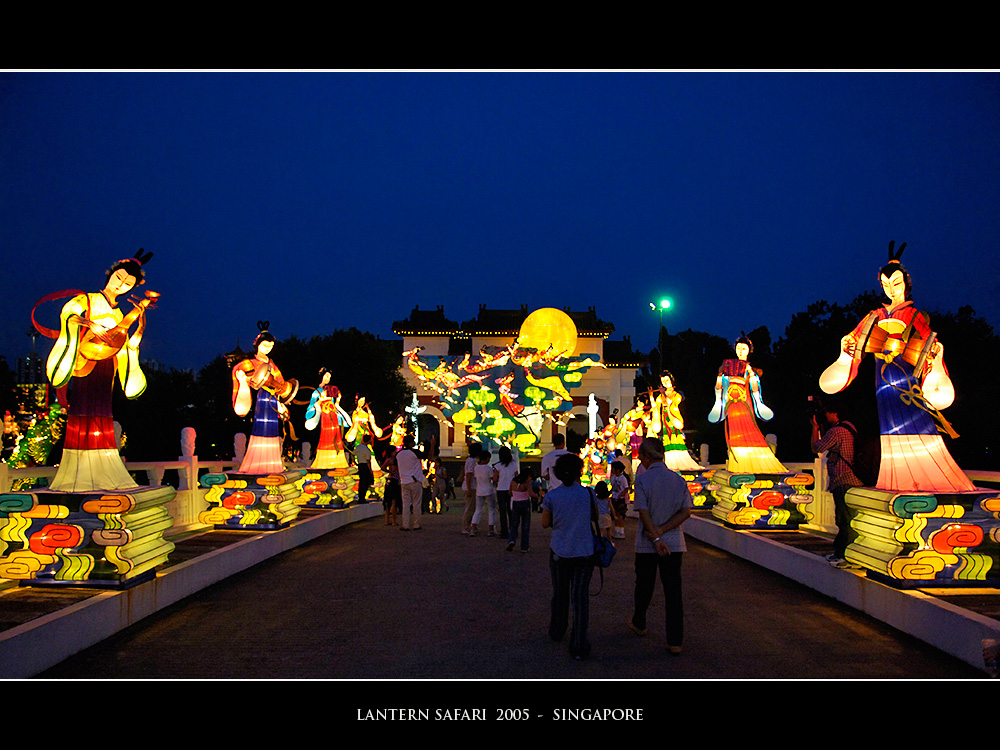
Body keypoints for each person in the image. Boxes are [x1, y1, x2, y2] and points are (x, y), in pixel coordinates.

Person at [820, 241, 975, 494]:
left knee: (913, 422)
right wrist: (845, 348)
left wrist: (935, 355)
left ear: (906, 283)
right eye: (885, 284)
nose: (891, 289)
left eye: (896, 283)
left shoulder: (914, 316)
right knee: (891, 426)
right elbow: (855, 340)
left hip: (905, 383)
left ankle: (926, 478)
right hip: (884, 387)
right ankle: (896, 479)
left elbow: (928, 344)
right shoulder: (875, 317)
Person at [40, 250, 156, 492]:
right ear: (110, 275)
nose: (121, 285)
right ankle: (78, 470)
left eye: (127, 284)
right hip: (86, 362)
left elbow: (125, 342)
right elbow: (68, 312)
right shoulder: (89, 299)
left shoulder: (119, 313)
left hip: (106, 368)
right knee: (83, 412)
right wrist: (87, 323)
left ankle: (104, 464)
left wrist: (140, 322)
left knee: (103, 412)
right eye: (119, 278)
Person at [626, 437, 693, 656]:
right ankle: (675, 640)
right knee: (673, 591)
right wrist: (663, 532)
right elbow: (686, 511)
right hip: (673, 543)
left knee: (644, 586)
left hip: (647, 544)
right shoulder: (678, 480)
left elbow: (643, 512)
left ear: (644, 456)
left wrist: (655, 537)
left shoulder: (643, 481)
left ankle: (640, 622)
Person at [542, 452, 595, 660]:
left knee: (560, 593)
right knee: (580, 598)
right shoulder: (588, 494)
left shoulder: (552, 496)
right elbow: (594, 518)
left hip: (559, 551)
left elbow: (545, 523)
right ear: (578, 473)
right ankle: (579, 644)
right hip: (584, 552)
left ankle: (557, 630)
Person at [708, 334, 787, 474]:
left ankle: (756, 463)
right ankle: (738, 464)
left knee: (749, 430)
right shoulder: (727, 368)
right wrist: (720, 375)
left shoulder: (749, 369)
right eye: (738, 348)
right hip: (731, 407)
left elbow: (755, 388)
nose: (740, 351)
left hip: (745, 406)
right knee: (734, 435)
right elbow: (719, 388)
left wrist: (751, 373)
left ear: (749, 350)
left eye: (744, 348)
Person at [810, 400, 864, 568]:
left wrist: (815, 428)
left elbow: (816, 447)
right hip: (856, 479)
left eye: (827, 413)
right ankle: (847, 552)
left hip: (842, 480)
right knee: (851, 517)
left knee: (844, 518)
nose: (826, 416)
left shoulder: (837, 431)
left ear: (835, 413)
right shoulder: (851, 428)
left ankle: (844, 554)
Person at [650, 370, 704, 472]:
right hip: (665, 420)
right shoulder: (660, 396)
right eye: (663, 380)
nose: (665, 382)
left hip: (674, 418)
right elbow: (656, 407)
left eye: (667, 380)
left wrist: (665, 397)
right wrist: (652, 398)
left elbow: (673, 403)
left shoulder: (676, 394)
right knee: (666, 439)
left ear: (671, 380)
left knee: (676, 436)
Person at [303, 368, 351, 470]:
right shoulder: (317, 392)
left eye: (329, 377)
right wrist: (321, 400)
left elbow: (334, 405)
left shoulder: (330, 391)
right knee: (325, 437)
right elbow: (314, 404)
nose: (328, 378)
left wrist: (338, 400)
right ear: (321, 376)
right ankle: (324, 461)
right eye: (326, 376)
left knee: (335, 437)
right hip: (324, 418)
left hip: (332, 417)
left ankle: (337, 460)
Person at [396, 434, 425, 530]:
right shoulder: (415, 452)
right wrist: (432, 445)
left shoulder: (399, 454)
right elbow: (428, 456)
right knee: (416, 503)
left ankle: (405, 524)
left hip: (404, 481)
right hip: (415, 480)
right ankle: (416, 524)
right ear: (411, 443)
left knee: (405, 503)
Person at [507, 466, 537, 552]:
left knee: (514, 524)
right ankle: (524, 547)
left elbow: (509, 493)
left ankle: (511, 540)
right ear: (528, 475)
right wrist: (537, 496)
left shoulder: (513, 481)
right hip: (525, 504)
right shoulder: (527, 483)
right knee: (525, 526)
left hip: (516, 503)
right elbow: (531, 494)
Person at [492, 445, 518, 539]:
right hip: (511, 490)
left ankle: (504, 531)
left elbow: (495, 479)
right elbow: (516, 477)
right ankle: (513, 530)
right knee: (511, 511)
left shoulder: (498, 466)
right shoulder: (513, 465)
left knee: (502, 512)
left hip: (501, 490)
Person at [471, 448, 498, 536]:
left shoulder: (476, 467)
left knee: (478, 510)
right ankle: (490, 529)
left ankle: (473, 528)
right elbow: (493, 479)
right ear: (487, 458)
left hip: (479, 490)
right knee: (491, 509)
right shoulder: (488, 468)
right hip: (489, 490)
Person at [460, 442, 481, 535]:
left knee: (473, 507)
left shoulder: (471, 460)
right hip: (471, 486)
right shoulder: (472, 461)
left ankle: (472, 525)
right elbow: (468, 475)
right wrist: (468, 489)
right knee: (470, 508)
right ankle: (465, 526)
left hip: (472, 485)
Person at [609, 460, 630, 539]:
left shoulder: (623, 478)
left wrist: (621, 495)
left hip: (620, 499)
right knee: (616, 514)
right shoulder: (614, 478)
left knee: (620, 515)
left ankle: (621, 531)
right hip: (614, 497)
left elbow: (626, 488)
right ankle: (617, 530)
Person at [382, 450, 400, 525]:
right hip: (394, 481)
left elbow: (383, 467)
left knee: (388, 502)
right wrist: (390, 472)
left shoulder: (391, 460)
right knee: (393, 501)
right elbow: (383, 467)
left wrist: (389, 472)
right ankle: (393, 521)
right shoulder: (392, 461)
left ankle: (387, 520)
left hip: (390, 481)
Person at [354, 434, 374, 501]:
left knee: (361, 481)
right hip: (365, 466)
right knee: (365, 482)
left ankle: (361, 497)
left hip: (360, 465)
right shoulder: (367, 450)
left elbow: (352, 454)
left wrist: (355, 462)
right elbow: (368, 461)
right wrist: (370, 470)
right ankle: (362, 498)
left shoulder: (358, 447)